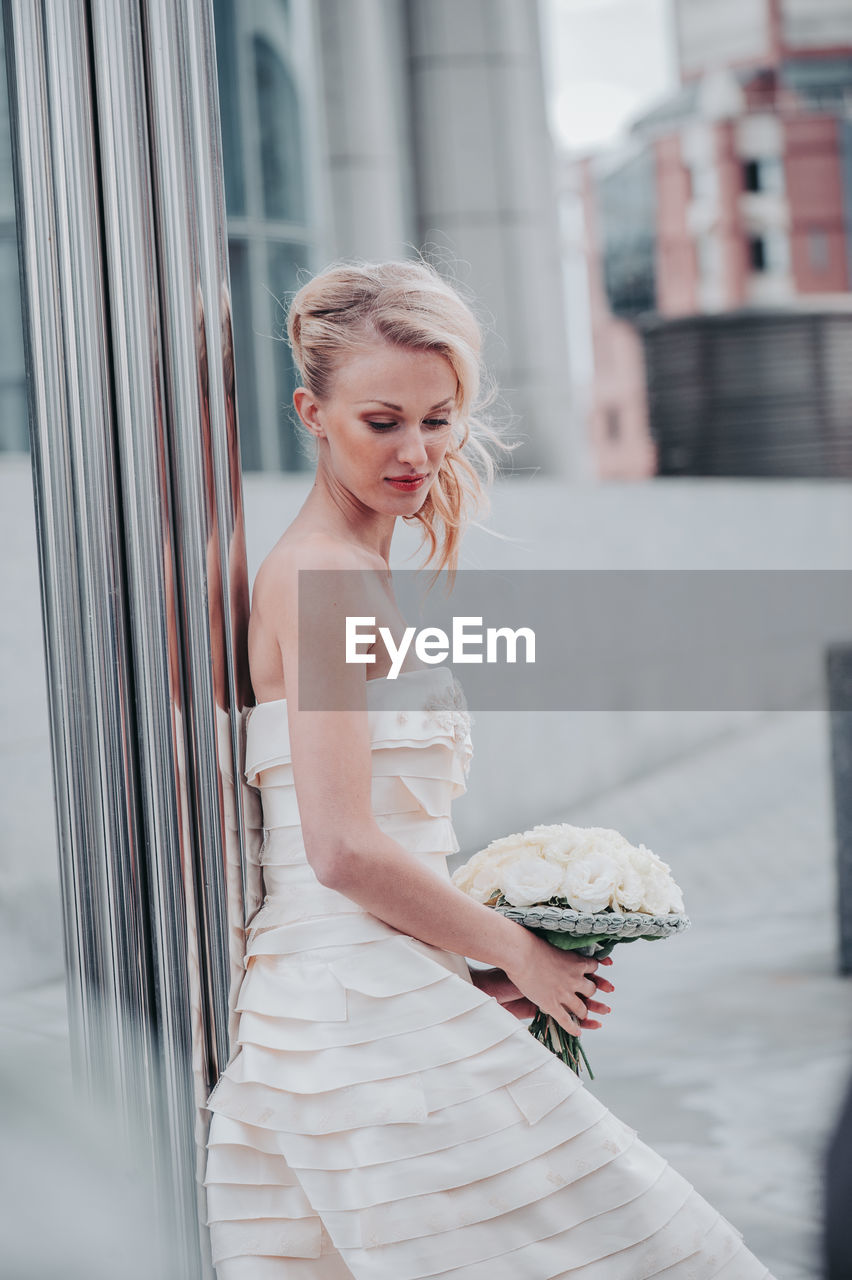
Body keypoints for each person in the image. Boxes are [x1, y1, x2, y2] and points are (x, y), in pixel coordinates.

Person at [203, 258, 776, 1278]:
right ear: (312, 410)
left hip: (383, 979)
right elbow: (338, 846)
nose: (417, 451)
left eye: (440, 416)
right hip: (351, 1005)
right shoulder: (326, 574)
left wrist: (458, 955)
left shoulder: (358, 563)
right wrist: (519, 949)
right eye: (382, 420)